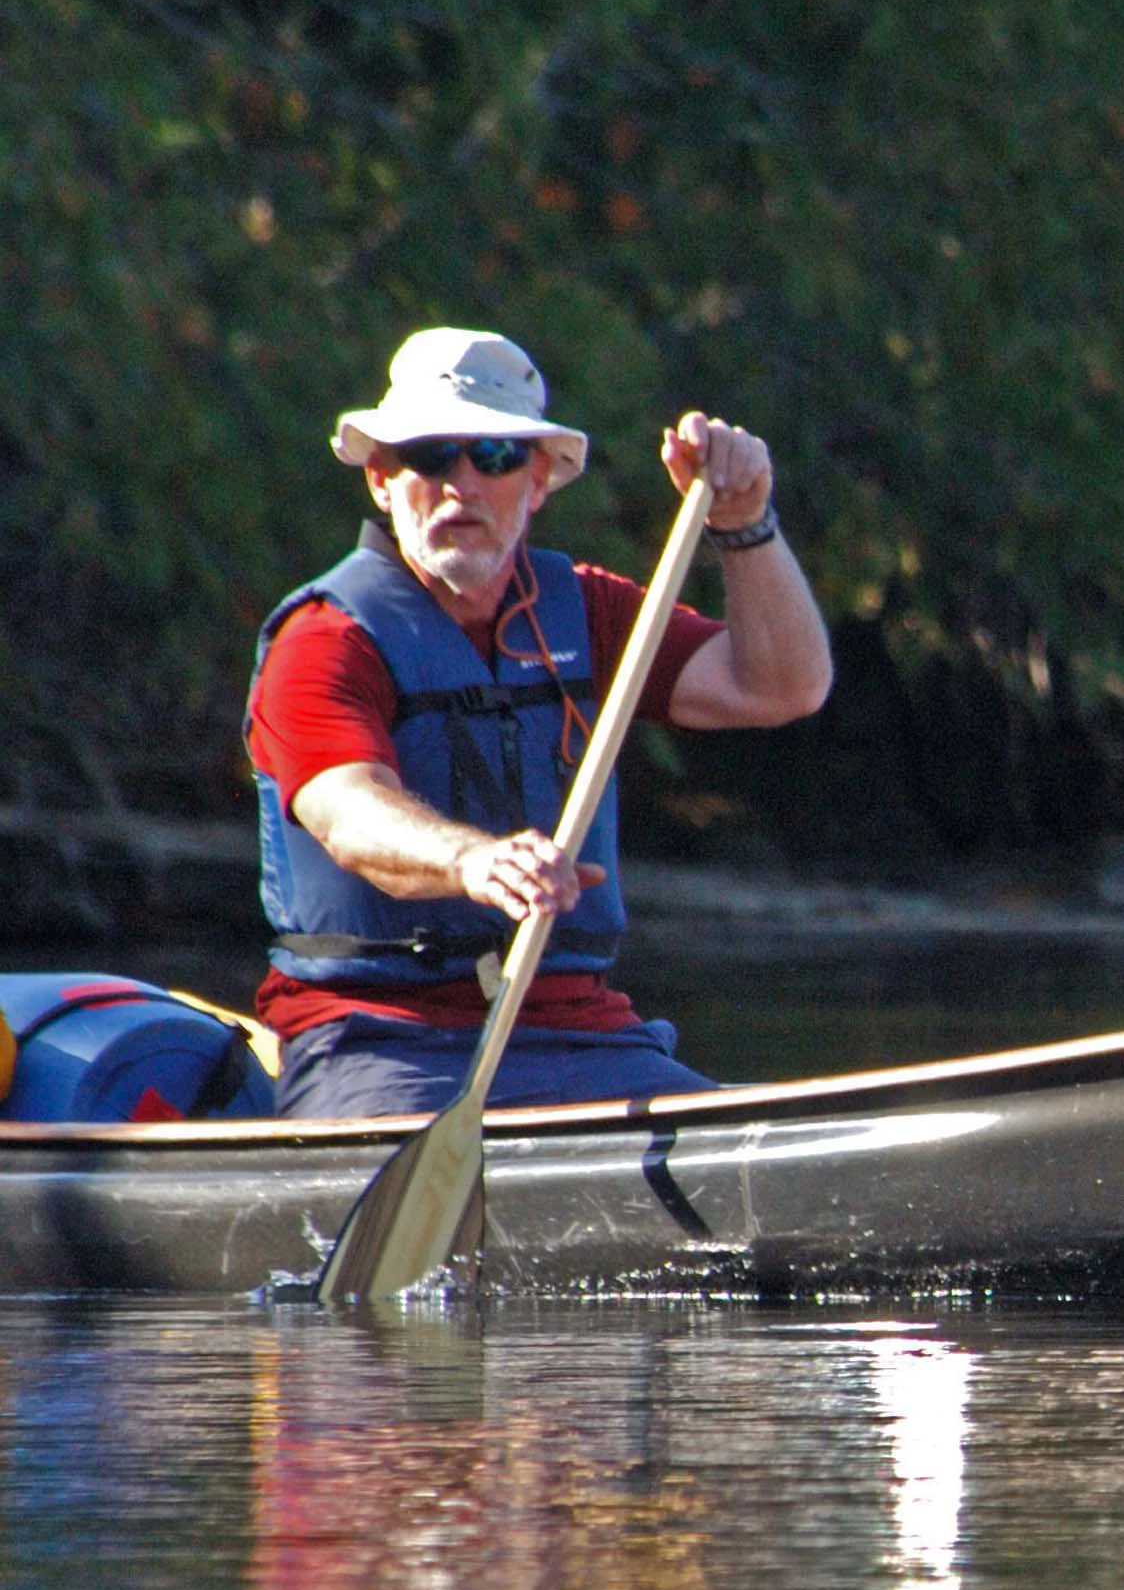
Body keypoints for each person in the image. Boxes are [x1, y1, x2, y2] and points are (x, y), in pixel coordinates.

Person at [246, 327, 832, 1117]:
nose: (462, 484)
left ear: (538, 483)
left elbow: (782, 687)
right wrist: (477, 862)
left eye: (492, 456)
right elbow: (350, 815)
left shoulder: (589, 612)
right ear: (382, 480)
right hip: (379, 1038)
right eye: (430, 456)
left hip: (579, 1034)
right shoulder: (323, 639)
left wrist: (747, 524)